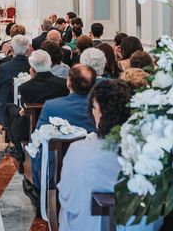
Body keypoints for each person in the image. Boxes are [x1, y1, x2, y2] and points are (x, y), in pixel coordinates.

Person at [58, 80, 162, 231]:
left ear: (100, 112)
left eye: (93, 107)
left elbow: (67, 198)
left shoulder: (78, 149)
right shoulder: (147, 152)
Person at [31, 64, 97, 188]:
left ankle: (38, 189)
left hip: (57, 166)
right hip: (92, 165)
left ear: (69, 83)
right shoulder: (98, 108)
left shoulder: (52, 105)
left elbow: (38, 136)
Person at [4, 50, 68, 161]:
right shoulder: (63, 84)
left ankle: (18, 149)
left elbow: (24, 109)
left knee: (9, 108)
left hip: (32, 125)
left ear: (32, 69)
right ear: (50, 64)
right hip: (58, 123)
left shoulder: (25, 87)